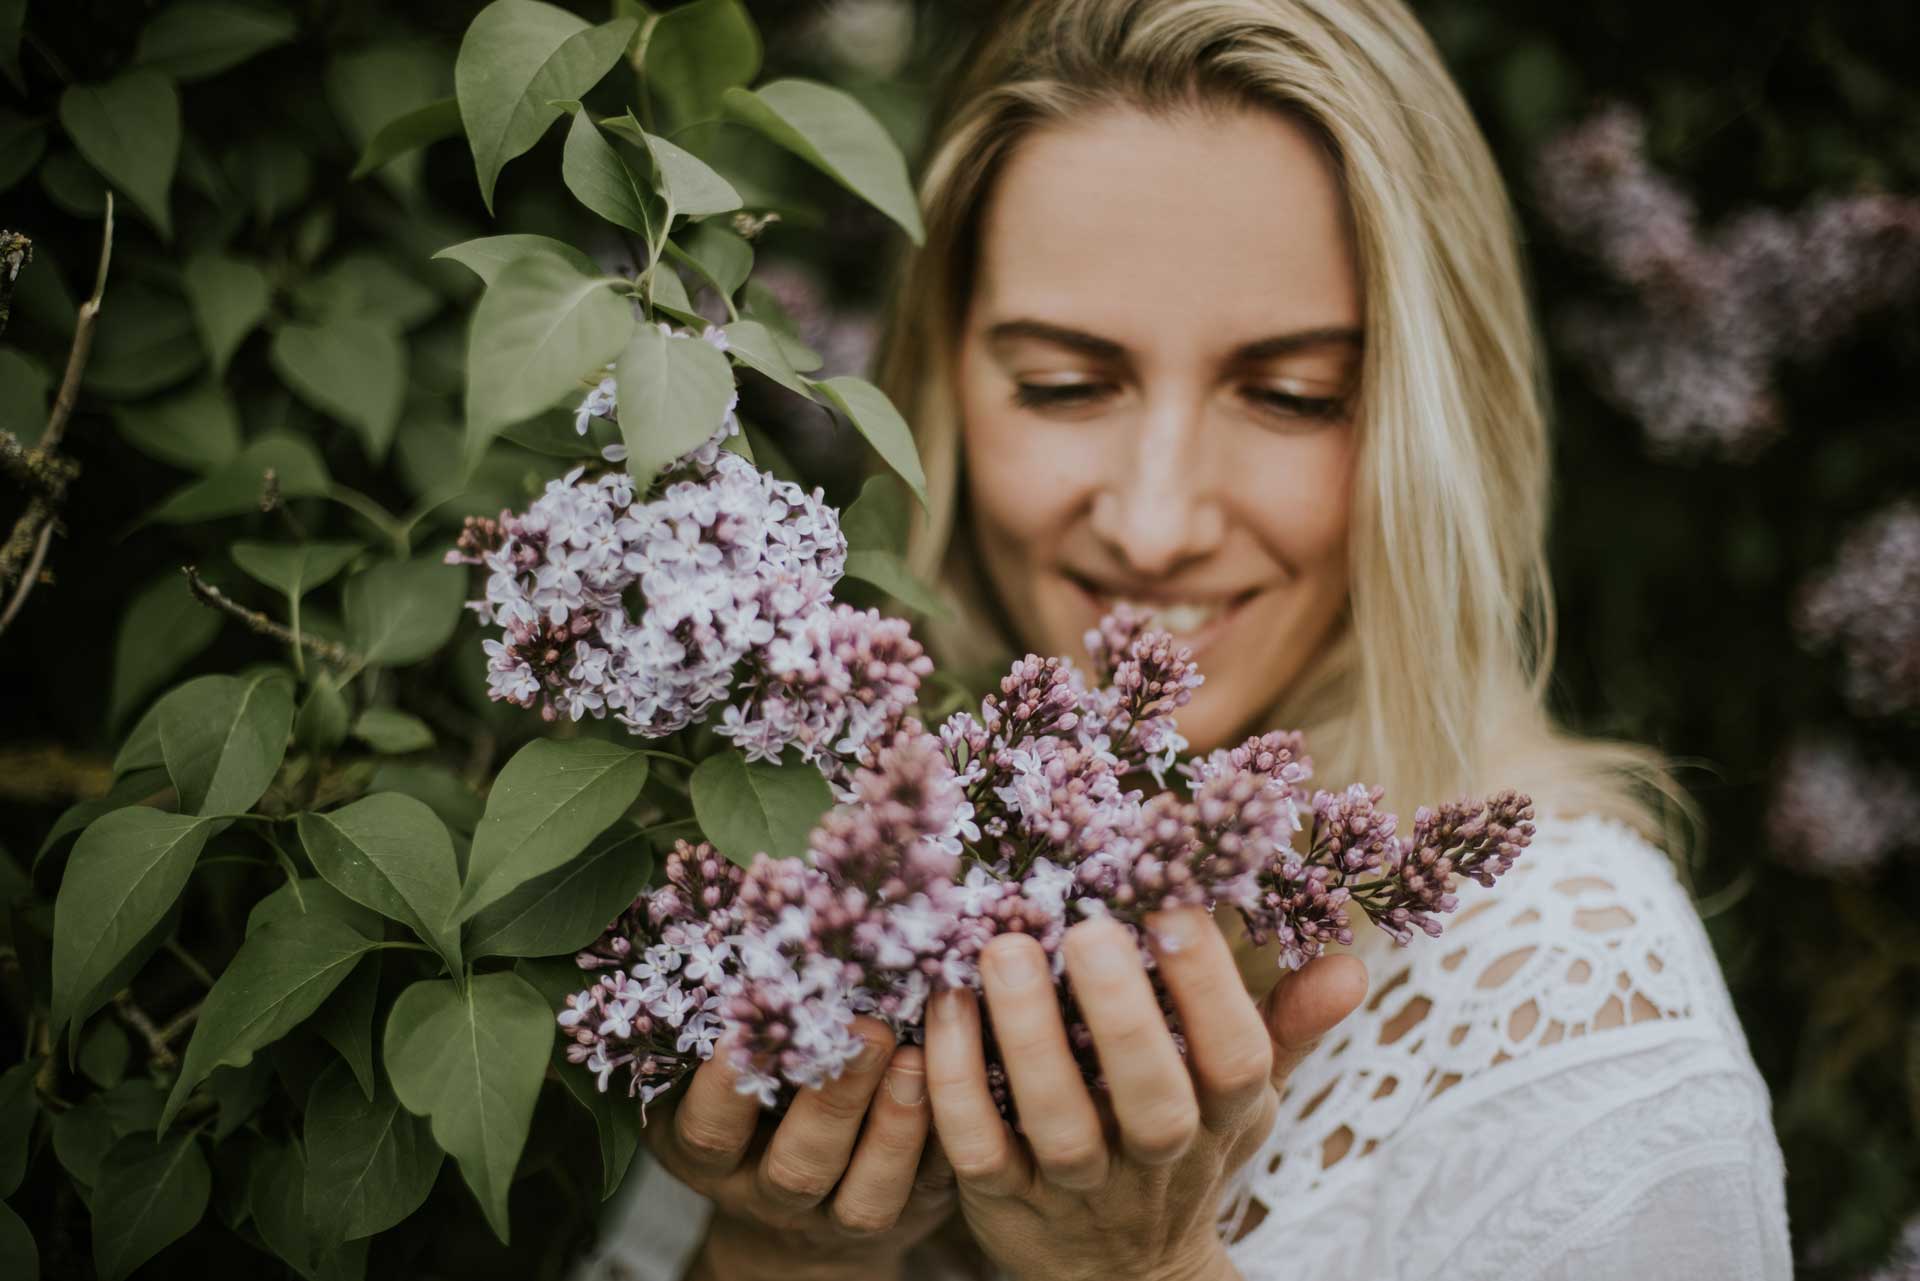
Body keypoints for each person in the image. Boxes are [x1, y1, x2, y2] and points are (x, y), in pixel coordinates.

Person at [577, 1, 1793, 1277]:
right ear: (939, 388)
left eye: (1290, 396)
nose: (1155, 524)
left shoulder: (1580, 1007)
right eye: (1063, 384)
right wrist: (787, 1259)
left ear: (1438, 419)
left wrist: (1144, 1269)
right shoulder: (824, 848)